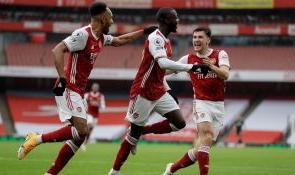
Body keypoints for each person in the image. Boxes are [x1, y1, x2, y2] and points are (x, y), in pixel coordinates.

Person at [17, 2, 158, 175]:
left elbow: (121, 40)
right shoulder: (83, 35)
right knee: (82, 130)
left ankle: (50, 173)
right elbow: (57, 50)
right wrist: (62, 78)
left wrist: (144, 31)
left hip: (78, 90)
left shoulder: (100, 38)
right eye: (111, 17)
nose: (112, 22)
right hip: (68, 87)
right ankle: (35, 139)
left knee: (78, 137)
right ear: (103, 18)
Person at [108, 8, 210, 175]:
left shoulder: (166, 41)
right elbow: (162, 64)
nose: (177, 20)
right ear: (165, 20)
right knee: (133, 133)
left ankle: (143, 132)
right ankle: (114, 171)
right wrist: (193, 67)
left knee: (179, 123)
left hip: (159, 89)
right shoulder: (155, 38)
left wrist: (167, 89)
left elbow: (159, 71)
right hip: (143, 90)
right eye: (175, 17)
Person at [162, 27, 230, 175]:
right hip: (201, 103)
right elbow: (168, 70)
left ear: (208, 40)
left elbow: (225, 74)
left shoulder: (220, 55)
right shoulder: (188, 59)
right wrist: (153, 67)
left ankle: (171, 168)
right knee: (207, 135)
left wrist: (211, 66)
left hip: (218, 106)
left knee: (199, 149)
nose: (196, 40)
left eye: (200, 37)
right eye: (194, 37)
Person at [80, 82, 105, 150]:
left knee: (90, 130)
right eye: (94, 87)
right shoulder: (87, 95)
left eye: (96, 87)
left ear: (98, 88)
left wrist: (98, 104)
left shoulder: (101, 96)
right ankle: (82, 141)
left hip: (96, 115)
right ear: (92, 88)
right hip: (89, 113)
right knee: (89, 125)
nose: (95, 88)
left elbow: (103, 106)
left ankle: (85, 143)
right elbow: (82, 103)